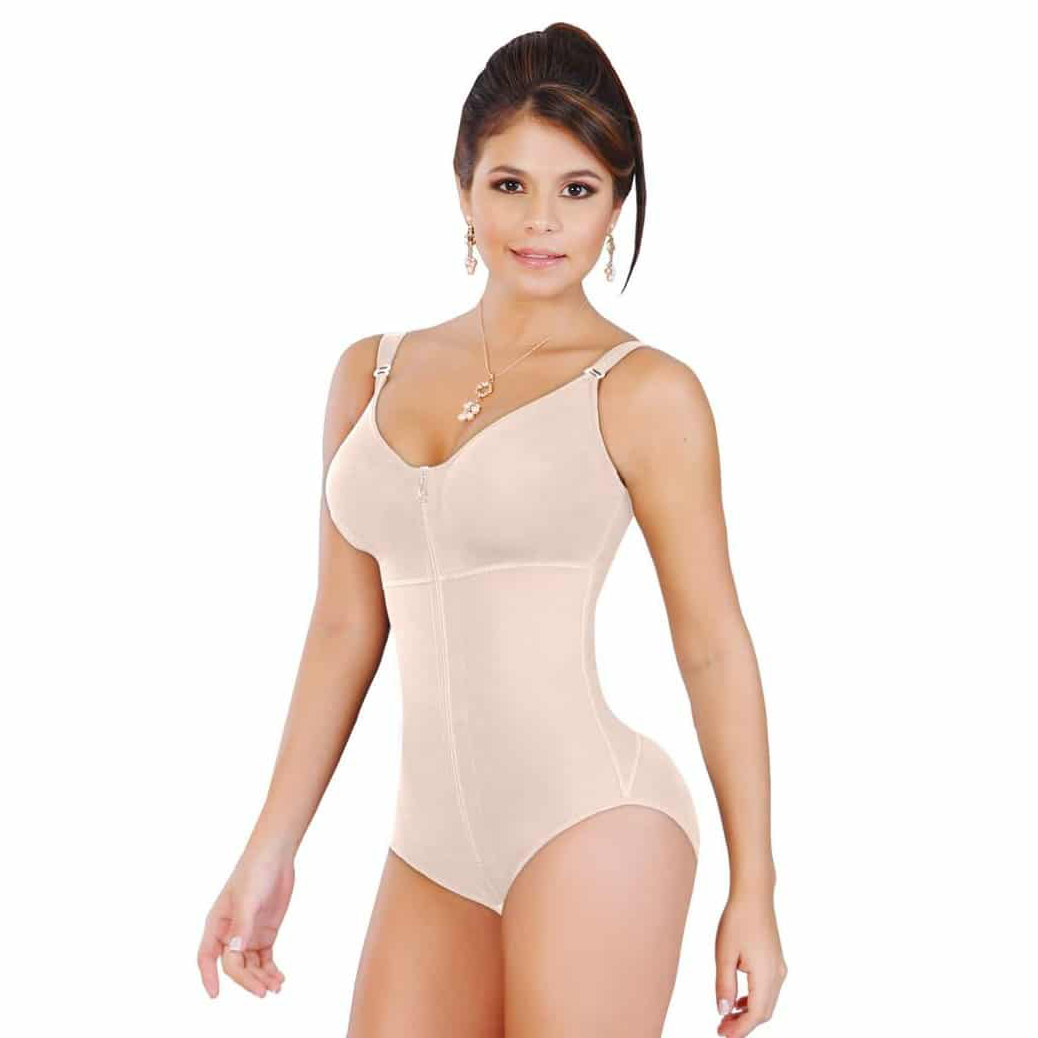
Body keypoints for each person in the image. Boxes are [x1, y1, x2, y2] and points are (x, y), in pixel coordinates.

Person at [197, 21, 786, 1037]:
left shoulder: (645, 392)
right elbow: (344, 626)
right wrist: (270, 847)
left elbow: (712, 644)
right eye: (511, 183)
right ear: (464, 188)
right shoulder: (369, 372)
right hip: (428, 849)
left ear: (616, 204)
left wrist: (756, 888)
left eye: (578, 189)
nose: (542, 221)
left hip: (596, 820)